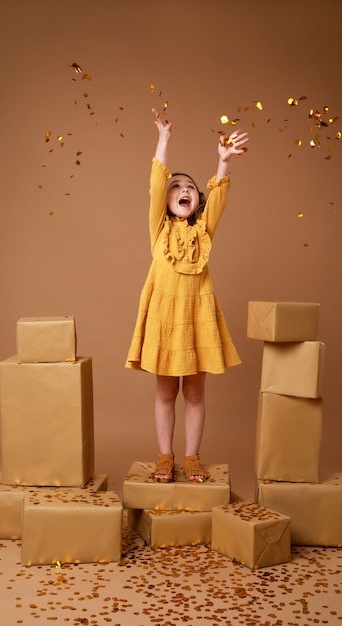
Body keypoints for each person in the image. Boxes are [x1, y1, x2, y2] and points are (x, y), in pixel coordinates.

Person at [125, 108, 248, 483]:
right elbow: (154, 185)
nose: (183, 191)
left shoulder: (204, 231)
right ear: (165, 200)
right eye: (175, 187)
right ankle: (166, 456)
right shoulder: (158, 228)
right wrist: (163, 142)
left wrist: (223, 162)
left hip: (196, 319)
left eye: (190, 188)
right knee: (165, 394)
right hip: (165, 318)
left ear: (198, 200)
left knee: (194, 394)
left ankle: (192, 457)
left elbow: (220, 199)